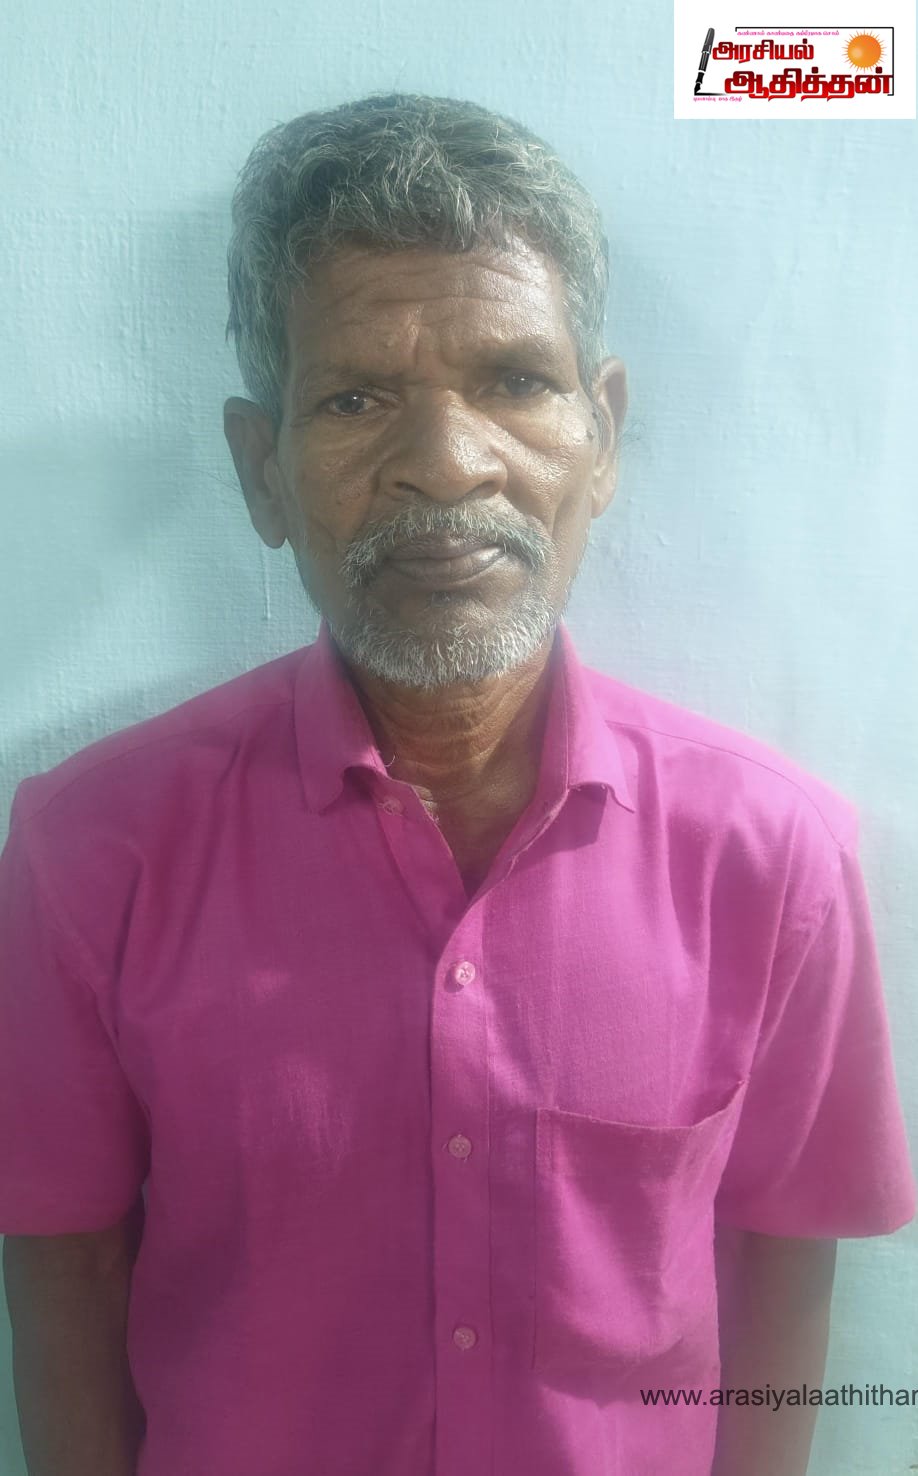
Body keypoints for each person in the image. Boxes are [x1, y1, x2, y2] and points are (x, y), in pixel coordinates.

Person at [0, 92, 913, 1476]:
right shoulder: (90, 852)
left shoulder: (774, 858)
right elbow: (62, 1271)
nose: (444, 465)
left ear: (603, 435)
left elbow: (781, 1265)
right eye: (355, 399)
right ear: (261, 470)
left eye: (516, 381)